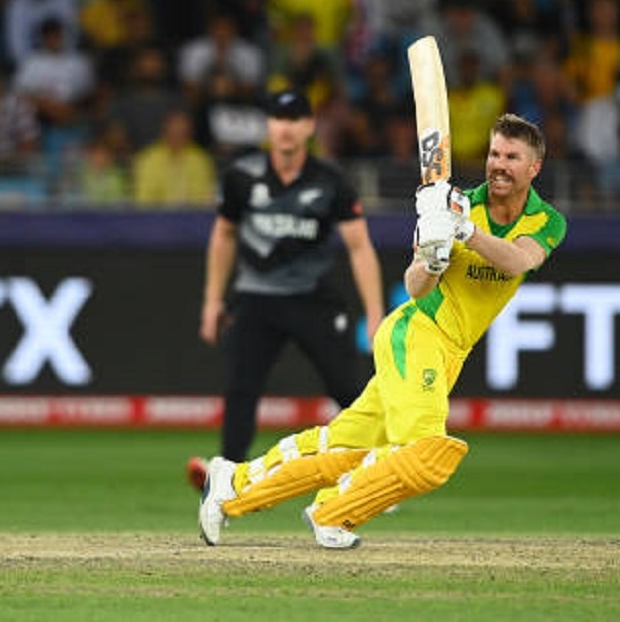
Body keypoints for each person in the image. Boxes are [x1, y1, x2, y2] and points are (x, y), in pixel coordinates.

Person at [198, 114, 567, 549]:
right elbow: (415, 285)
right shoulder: (451, 205)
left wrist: (465, 231)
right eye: (494, 153)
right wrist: (433, 255)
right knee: (428, 453)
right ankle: (335, 511)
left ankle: (232, 483)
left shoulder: (544, 221)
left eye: (512, 157)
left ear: (533, 168)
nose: (499, 164)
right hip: (417, 334)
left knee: (338, 447)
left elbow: (518, 261)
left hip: (452, 351)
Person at [188, 89, 385, 491]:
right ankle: (226, 479)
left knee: (348, 389)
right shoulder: (242, 176)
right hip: (255, 297)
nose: (286, 128)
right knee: (241, 388)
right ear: (268, 126)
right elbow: (223, 236)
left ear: (310, 127)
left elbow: (360, 247)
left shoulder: (331, 181)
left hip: (312, 296)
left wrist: (376, 311)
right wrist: (212, 301)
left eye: (296, 119)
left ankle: (379, 473)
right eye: (279, 119)